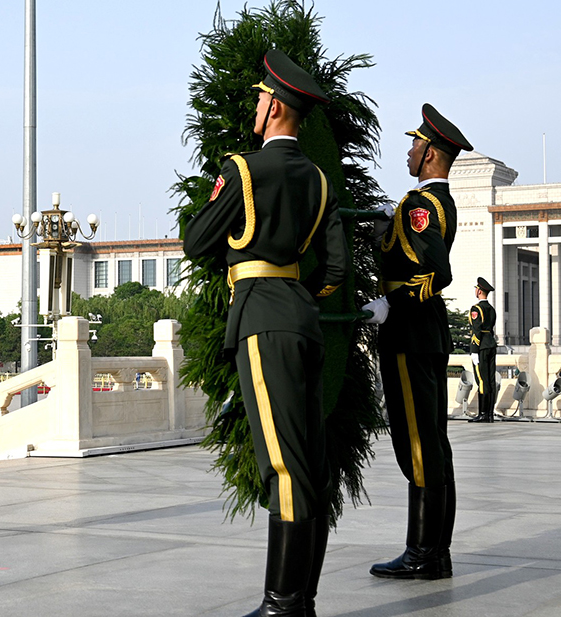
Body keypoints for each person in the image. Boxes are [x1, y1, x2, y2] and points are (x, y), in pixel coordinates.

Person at [183, 50, 349, 616]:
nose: (255, 106)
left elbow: (197, 240)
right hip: (303, 320)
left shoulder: (245, 168)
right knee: (309, 464)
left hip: (261, 320)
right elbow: (334, 270)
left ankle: (282, 606)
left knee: (283, 465)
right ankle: (301, 600)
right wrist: (298, 295)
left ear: (275, 106)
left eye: (259, 98)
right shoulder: (320, 181)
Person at [362, 103, 472, 580]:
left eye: (414, 143)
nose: (408, 150)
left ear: (430, 153)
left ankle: (422, 554)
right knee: (431, 443)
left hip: (409, 332)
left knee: (418, 448)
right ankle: (434, 552)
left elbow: (434, 271)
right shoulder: (431, 204)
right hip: (426, 333)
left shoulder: (421, 205)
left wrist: (393, 304)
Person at [469, 277, 497, 423]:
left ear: (479, 291)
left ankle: (483, 414)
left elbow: (477, 330)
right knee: (491, 380)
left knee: (481, 380)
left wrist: (474, 350)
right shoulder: (491, 309)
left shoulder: (476, 309)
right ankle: (490, 414)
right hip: (491, 344)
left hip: (481, 347)